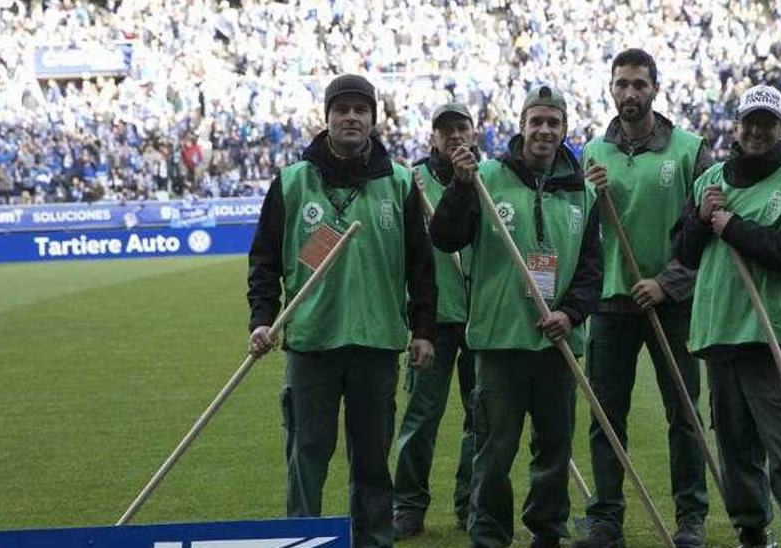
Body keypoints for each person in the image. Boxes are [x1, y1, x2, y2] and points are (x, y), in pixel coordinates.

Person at [246, 74, 437, 548]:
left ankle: (372, 541)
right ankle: (301, 540)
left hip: (376, 344)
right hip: (311, 343)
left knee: (372, 461)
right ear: (326, 117)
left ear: (373, 119)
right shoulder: (292, 181)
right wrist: (262, 319)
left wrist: (423, 329)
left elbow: (421, 264)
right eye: (342, 109)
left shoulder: (398, 183)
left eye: (360, 109)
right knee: (306, 456)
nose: (351, 117)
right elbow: (264, 261)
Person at [429, 86, 603, 548]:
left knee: (553, 451)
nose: (544, 130)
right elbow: (445, 237)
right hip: (499, 343)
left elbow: (591, 272)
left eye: (553, 122)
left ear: (564, 129)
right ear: (522, 125)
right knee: (494, 452)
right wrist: (459, 187)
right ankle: (489, 536)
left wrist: (570, 313)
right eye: (536, 121)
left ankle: (547, 533)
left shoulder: (581, 192)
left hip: (556, 345)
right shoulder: (484, 176)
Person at [672, 85, 781, 548]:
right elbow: (681, 252)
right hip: (719, 331)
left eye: (767, 123)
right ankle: (752, 532)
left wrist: (733, 227)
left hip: (772, 335)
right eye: (750, 122)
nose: (757, 131)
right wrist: (701, 220)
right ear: (737, 126)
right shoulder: (711, 181)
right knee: (735, 447)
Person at [573, 48, 714, 548]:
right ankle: (606, 519)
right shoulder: (592, 153)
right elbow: (582, 238)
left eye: (639, 84)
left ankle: (690, 518)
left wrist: (668, 281)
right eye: (622, 85)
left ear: (655, 88)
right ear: (611, 89)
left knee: (684, 414)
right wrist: (590, 196)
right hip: (611, 305)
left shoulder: (688, 149)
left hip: (671, 305)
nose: (630, 93)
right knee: (606, 418)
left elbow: (704, 231)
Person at [392, 102, 480, 539]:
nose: (455, 137)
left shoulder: (494, 178)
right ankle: (408, 506)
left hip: (482, 318)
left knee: (481, 418)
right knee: (421, 417)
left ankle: (471, 504)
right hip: (434, 319)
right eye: (446, 131)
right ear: (433, 139)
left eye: (461, 128)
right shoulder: (412, 181)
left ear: (474, 132)